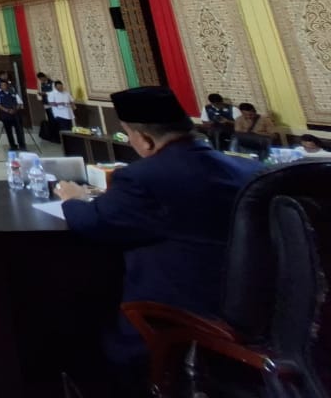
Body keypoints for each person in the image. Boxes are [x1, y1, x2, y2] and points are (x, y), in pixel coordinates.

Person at [56, 87, 255, 388]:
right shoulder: (248, 169)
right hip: (253, 320)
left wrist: (73, 199)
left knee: (78, 334)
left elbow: (93, 221)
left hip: (174, 321)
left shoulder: (142, 178)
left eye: (129, 135)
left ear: (145, 139)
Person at [0, 77, 26, 151]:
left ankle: (22, 145)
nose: (3, 87)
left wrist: (15, 109)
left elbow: (19, 102)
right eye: (2, 85)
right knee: (9, 132)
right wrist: (7, 110)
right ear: (0, 87)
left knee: (19, 130)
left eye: (5, 85)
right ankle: (13, 146)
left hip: (15, 114)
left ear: (7, 85)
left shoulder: (13, 93)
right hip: (6, 115)